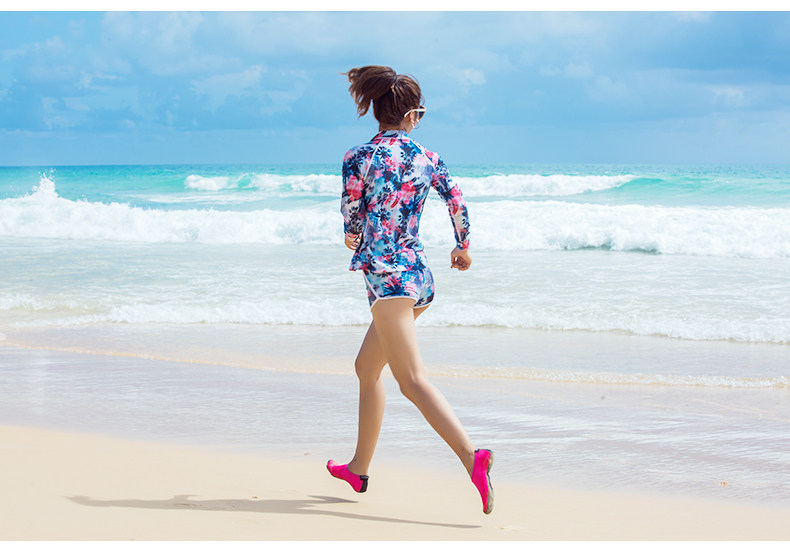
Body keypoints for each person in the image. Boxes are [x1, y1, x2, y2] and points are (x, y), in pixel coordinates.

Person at [327, 65, 494, 515]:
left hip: (387, 282)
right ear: (412, 115)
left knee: (412, 380)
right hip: (418, 278)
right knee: (366, 368)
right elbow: (456, 200)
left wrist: (354, 234)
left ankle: (472, 457)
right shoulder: (428, 157)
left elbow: (351, 214)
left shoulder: (357, 157)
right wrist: (462, 246)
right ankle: (359, 468)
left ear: (376, 111)